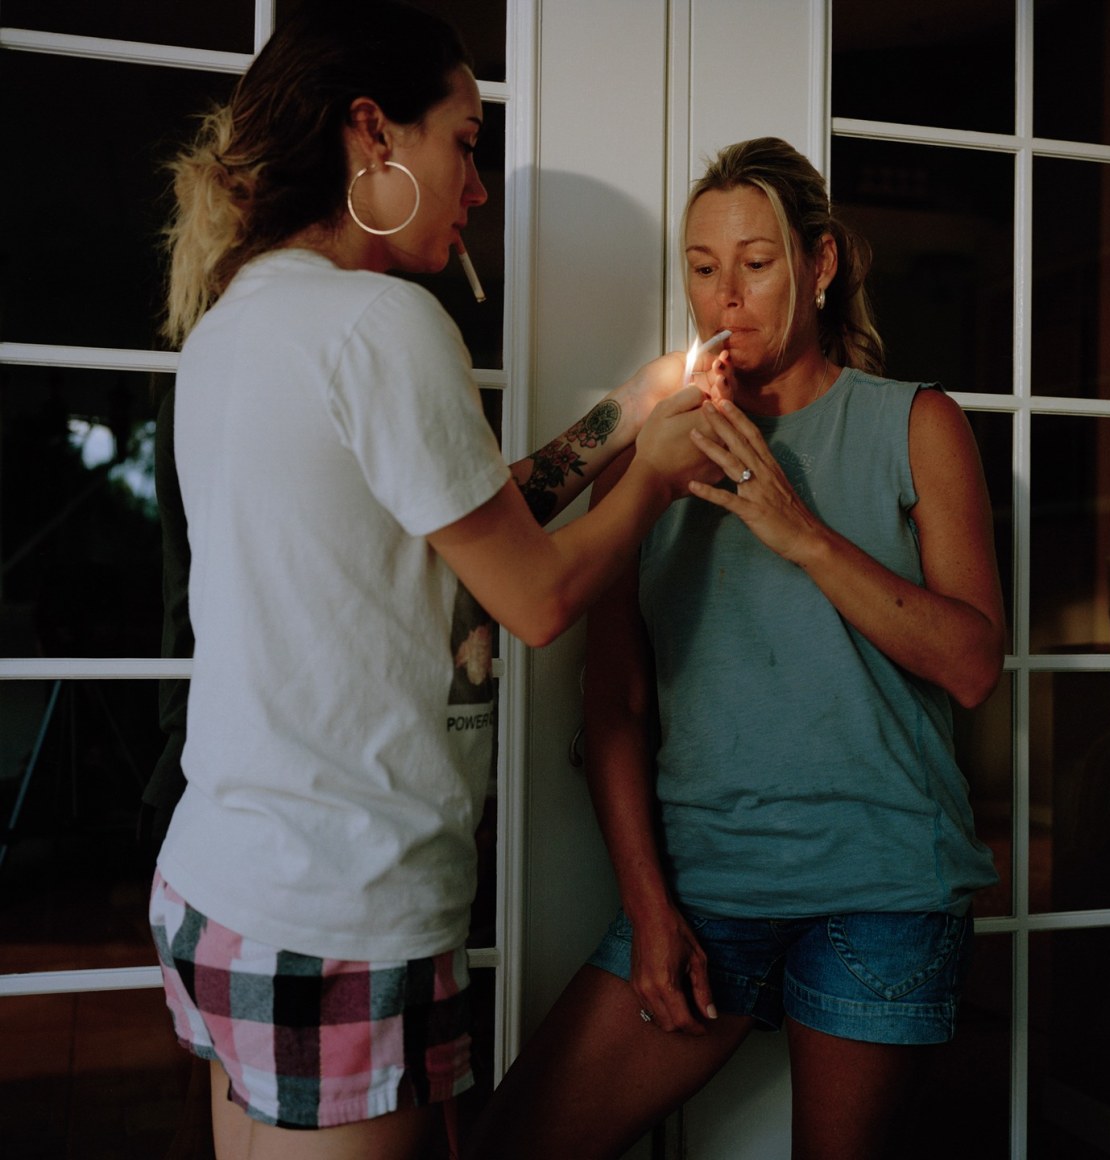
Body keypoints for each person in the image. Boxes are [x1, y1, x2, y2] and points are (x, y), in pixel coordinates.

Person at [146, 4, 716, 1158]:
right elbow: (534, 597)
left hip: (225, 881)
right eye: (464, 139)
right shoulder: (384, 324)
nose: (479, 183)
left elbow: (447, 520)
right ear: (372, 135)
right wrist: (651, 478)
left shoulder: (234, 319)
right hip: (339, 904)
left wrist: (625, 414)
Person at [467, 136, 1008, 1160]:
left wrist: (795, 527)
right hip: (706, 889)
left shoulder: (916, 424)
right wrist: (646, 903)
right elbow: (614, 701)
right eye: (702, 266)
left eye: (755, 264)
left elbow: (971, 663)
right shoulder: (648, 449)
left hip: (882, 890)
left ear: (819, 263)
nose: (728, 296)